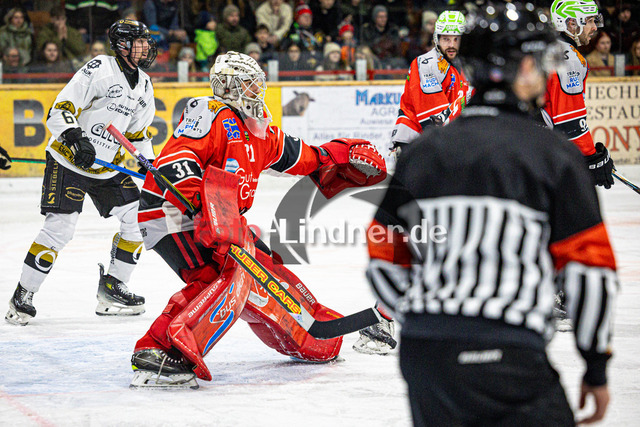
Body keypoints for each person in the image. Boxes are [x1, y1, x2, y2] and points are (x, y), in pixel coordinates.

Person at [367, 2, 618, 425]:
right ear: (526, 68)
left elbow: (382, 253)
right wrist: (596, 368)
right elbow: (592, 275)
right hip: (510, 351)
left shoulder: (422, 154)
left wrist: (429, 320)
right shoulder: (555, 156)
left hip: (426, 357)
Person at [130, 51, 387, 389]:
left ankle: (312, 337)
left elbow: (300, 156)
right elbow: (179, 158)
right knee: (218, 277)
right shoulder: (210, 112)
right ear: (227, 86)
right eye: (249, 84)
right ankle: (158, 348)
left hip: (222, 218)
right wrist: (200, 204)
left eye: (257, 83)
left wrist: (339, 155)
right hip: (172, 213)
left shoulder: (258, 129)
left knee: (262, 268)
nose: (257, 90)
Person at [5, 19, 158, 326]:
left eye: (146, 42)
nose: (145, 47)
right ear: (122, 45)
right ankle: (23, 295)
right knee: (60, 228)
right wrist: (77, 138)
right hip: (68, 160)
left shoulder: (144, 84)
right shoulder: (100, 68)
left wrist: (150, 164)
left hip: (105, 168)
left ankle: (113, 288)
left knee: (138, 219)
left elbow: (138, 135)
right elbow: (60, 109)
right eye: (139, 42)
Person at [543, 0, 614, 189]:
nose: (594, 27)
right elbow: (570, 122)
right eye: (589, 21)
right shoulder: (568, 59)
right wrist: (591, 157)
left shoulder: (548, 47)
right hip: (537, 150)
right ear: (571, 24)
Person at [388, 10, 470, 155]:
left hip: (438, 139)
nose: (451, 45)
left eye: (456, 39)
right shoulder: (426, 64)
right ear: (436, 39)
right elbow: (434, 121)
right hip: (416, 143)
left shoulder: (461, 65)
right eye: (446, 39)